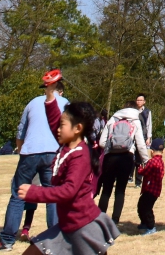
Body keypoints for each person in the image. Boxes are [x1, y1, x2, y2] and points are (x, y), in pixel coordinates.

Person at [18, 101, 120, 255]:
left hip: (84, 227)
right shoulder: (66, 147)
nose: (57, 130)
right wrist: (50, 96)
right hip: (66, 227)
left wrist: (34, 193)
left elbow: (68, 191)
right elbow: (54, 123)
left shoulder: (80, 155)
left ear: (78, 128)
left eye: (62, 126)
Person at [0, 73, 69, 251]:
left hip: (30, 152)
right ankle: (56, 238)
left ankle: (7, 240)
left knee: (18, 195)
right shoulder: (65, 103)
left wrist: (22, 150)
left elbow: (21, 130)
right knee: (53, 196)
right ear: (60, 90)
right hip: (53, 152)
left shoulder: (33, 102)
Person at [97, 100, 150, 223]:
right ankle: (115, 219)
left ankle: (99, 219)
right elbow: (141, 144)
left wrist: (110, 147)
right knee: (120, 190)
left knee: (106, 190)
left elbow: (101, 142)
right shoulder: (135, 120)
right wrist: (146, 160)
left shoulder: (113, 119)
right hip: (126, 157)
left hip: (110, 157)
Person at [136, 139, 165, 235]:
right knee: (143, 205)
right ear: (163, 151)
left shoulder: (152, 162)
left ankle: (151, 226)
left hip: (149, 189)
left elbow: (144, 172)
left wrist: (140, 168)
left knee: (145, 208)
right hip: (156, 191)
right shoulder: (161, 162)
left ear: (151, 151)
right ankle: (144, 223)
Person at [132, 94, 152, 189]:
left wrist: (148, 137)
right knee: (131, 158)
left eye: (141, 100)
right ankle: (129, 176)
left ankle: (138, 181)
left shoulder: (147, 112)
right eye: (138, 100)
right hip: (132, 137)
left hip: (142, 137)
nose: (139, 101)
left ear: (144, 101)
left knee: (140, 160)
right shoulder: (132, 111)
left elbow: (149, 125)